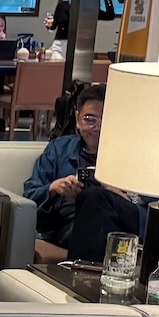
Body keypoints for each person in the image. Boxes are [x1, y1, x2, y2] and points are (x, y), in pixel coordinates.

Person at [22, 83, 146, 262]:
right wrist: (54, 189)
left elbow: (156, 211)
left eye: (106, 120)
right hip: (69, 227)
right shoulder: (59, 149)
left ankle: (77, 263)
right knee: (90, 197)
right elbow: (28, 198)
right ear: (78, 119)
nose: (97, 128)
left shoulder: (134, 156)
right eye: (90, 119)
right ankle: (85, 259)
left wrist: (124, 197)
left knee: (95, 196)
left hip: (119, 227)